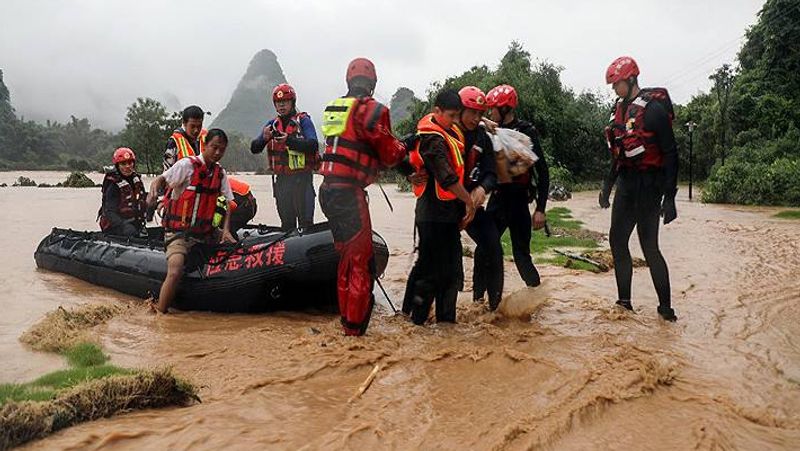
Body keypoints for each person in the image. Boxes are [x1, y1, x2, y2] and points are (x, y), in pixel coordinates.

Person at [319, 57, 407, 336]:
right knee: (359, 263)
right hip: (348, 195)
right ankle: (354, 332)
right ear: (372, 83)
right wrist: (407, 146)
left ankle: (347, 320)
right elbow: (391, 153)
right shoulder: (372, 110)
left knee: (345, 259)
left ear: (348, 80)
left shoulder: (335, 108)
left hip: (327, 192)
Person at [600, 56, 678, 322]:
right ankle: (624, 303)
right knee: (617, 240)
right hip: (626, 184)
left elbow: (671, 153)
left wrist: (670, 198)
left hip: (649, 185)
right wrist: (607, 186)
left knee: (649, 246)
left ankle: (665, 309)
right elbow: (618, 153)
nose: (614, 89)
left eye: (616, 84)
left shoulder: (653, 110)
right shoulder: (618, 110)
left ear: (631, 79)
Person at [405, 88, 476, 326]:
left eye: (458, 116)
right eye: (452, 116)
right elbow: (446, 177)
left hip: (447, 216)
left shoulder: (449, 131)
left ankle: (446, 325)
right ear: (437, 111)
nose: (456, 121)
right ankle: (417, 323)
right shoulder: (431, 139)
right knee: (429, 273)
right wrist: (468, 201)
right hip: (432, 215)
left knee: (452, 272)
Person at [147, 128, 237, 313]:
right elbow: (161, 180)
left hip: (206, 232)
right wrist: (153, 190)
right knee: (175, 270)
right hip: (179, 233)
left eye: (222, 150)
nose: (218, 153)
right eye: (214, 148)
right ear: (205, 145)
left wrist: (226, 231)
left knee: (236, 247)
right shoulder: (186, 166)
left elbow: (228, 204)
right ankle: (161, 315)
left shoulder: (220, 173)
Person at [485, 84, 550, 288]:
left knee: (521, 255)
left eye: (493, 108)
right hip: (497, 200)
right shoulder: (490, 131)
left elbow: (543, 172)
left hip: (519, 201)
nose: (490, 112)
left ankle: (537, 297)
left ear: (504, 109)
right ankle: (480, 302)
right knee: (484, 250)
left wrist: (540, 209)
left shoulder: (526, 132)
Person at [251, 84, 319, 231]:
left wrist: (289, 140)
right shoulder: (272, 124)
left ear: (292, 102)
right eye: (278, 103)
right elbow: (254, 148)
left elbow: (313, 144)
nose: (281, 105)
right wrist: (264, 138)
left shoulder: (303, 121)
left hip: (302, 181)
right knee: (287, 226)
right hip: (282, 182)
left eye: (285, 102)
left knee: (305, 224)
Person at [98, 147, 147, 237]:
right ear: (117, 166)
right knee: (131, 232)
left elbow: (142, 199)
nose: (127, 166)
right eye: (123, 164)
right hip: (116, 227)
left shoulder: (137, 181)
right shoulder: (113, 186)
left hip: (134, 223)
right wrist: (123, 226)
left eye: (130, 163)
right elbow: (109, 212)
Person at [163, 105, 207, 171]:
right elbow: (167, 172)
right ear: (184, 123)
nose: (196, 130)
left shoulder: (206, 138)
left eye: (199, 126)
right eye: (192, 126)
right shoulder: (174, 142)